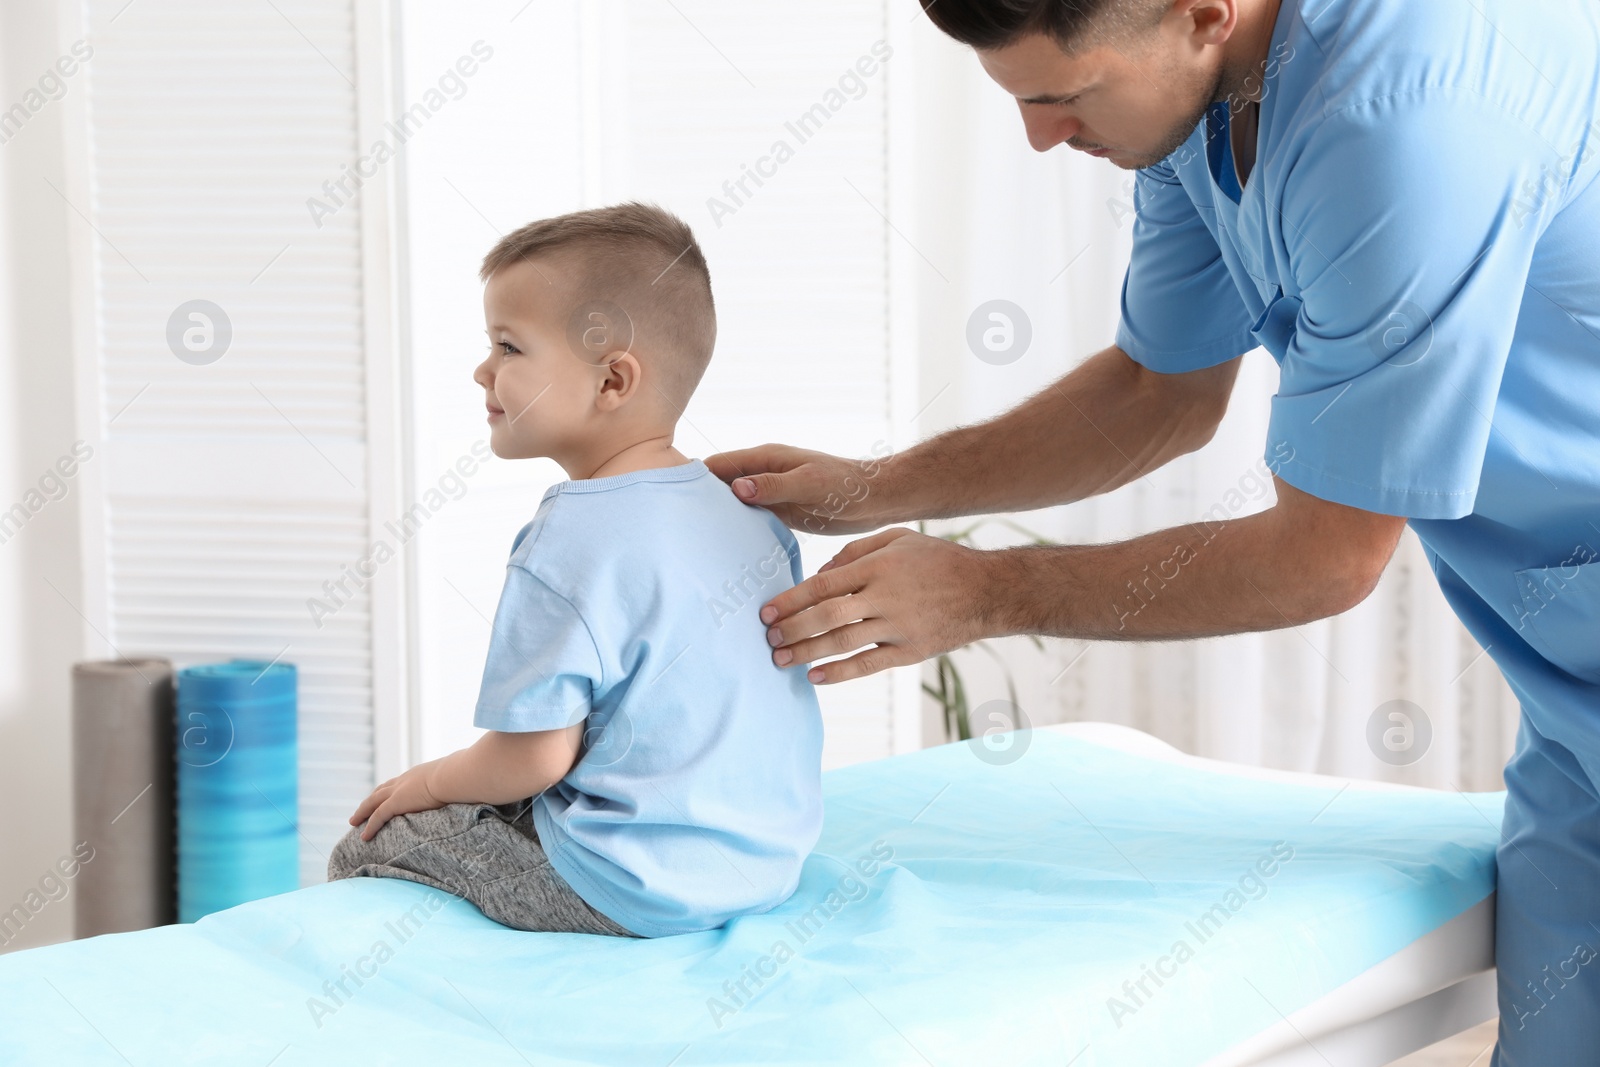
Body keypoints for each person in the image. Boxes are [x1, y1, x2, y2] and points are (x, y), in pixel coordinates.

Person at [705, 0, 1600, 1060]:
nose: (1039, 135)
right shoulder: (1200, 101)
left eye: (1062, 96)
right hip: (1567, 679)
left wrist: (986, 592)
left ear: (1204, 13)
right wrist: (878, 485)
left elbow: (1322, 561)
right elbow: (1154, 392)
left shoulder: (1401, 122)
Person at [328, 202, 824, 939]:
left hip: (631, 884)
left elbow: (534, 757)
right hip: (768, 861)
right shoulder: (748, 511)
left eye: (508, 346)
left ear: (612, 381)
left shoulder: (571, 537)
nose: (482, 370)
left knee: (365, 847)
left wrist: (426, 782)